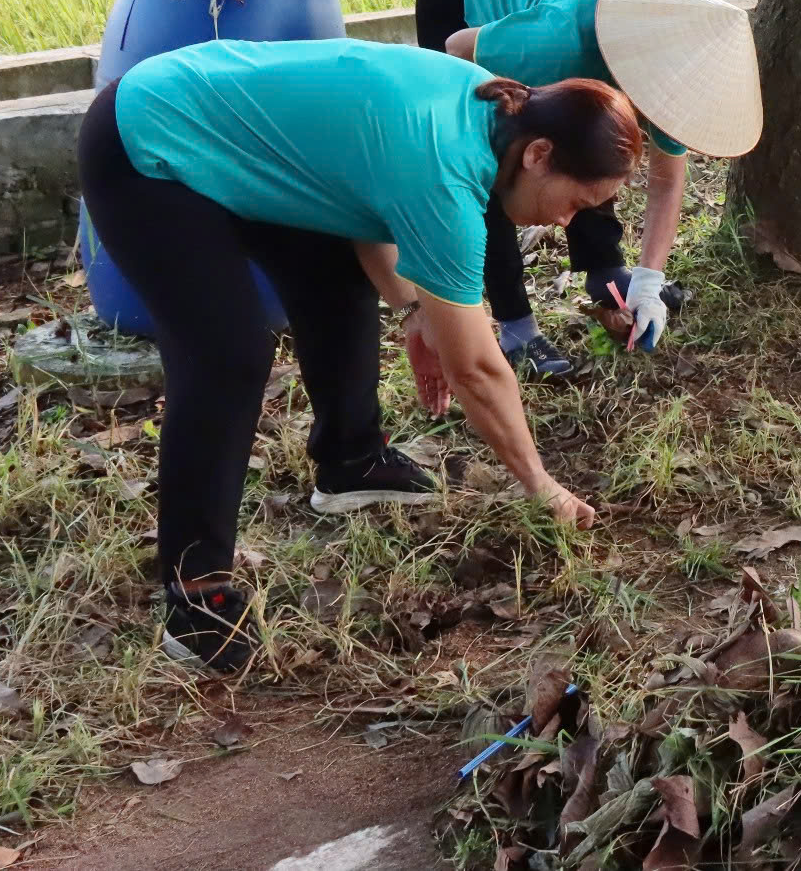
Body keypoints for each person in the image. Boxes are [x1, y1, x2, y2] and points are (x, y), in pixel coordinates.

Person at [77, 38, 628, 673]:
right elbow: (476, 369)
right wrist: (542, 486)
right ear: (539, 155)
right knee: (227, 358)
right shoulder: (448, 171)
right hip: (147, 141)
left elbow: (362, 195)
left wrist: (417, 309)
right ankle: (194, 591)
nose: (565, 223)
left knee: (335, 279)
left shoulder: (490, 110)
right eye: (577, 203)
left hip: (241, 134)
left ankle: (351, 463)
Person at [415, 0, 760, 376]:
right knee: (500, 165)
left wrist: (649, 281)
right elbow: (456, 47)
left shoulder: (672, 73)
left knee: (603, 148)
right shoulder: (554, 41)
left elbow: (668, 179)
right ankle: (516, 325)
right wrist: (524, 103)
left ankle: (605, 269)